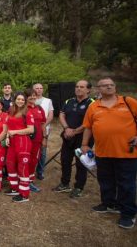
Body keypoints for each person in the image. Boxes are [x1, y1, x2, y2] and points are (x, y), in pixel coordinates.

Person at [81, 77, 137, 229]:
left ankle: (128, 214)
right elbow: (88, 127)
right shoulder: (94, 107)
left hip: (126, 152)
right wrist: (85, 144)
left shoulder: (128, 102)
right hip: (103, 152)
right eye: (105, 85)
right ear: (98, 89)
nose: (109, 87)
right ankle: (108, 204)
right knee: (105, 181)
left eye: (111, 85)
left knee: (126, 184)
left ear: (115, 87)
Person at [54, 80, 94, 198]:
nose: (78, 89)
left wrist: (75, 131)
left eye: (82, 87)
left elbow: (90, 122)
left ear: (88, 90)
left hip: (83, 138)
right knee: (65, 160)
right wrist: (66, 128)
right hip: (67, 136)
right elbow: (62, 115)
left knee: (81, 163)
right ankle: (65, 183)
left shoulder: (92, 103)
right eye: (77, 86)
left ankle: (78, 187)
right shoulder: (69, 101)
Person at [5, 92, 34, 202]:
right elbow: (9, 126)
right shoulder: (12, 111)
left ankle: (24, 194)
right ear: (15, 99)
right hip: (12, 142)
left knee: (22, 168)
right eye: (18, 99)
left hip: (23, 142)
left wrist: (15, 132)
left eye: (22, 99)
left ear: (25, 101)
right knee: (10, 164)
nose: (20, 101)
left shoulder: (28, 112)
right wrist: (7, 136)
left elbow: (31, 130)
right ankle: (14, 188)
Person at [25, 88, 47, 193]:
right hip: (25, 140)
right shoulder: (22, 109)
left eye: (34, 95)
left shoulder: (39, 108)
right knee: (24, 160)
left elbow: (43, 124)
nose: (33, 97)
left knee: (34, 160)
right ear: (26, 97)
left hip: (37, 140)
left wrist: (44, 138)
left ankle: (30, 181)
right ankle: (23, 180)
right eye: (30, 95)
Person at [33, 83, 54, 180]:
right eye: (37, 88)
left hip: (44, 129)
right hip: (32, 129)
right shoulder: (30, 100)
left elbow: (50, 114)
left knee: (42, 151)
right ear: (33, 89)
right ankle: (31, 170)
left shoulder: (48, 101)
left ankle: (40, 171)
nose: (39, 90)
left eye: (41, 88)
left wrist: (44, 125)